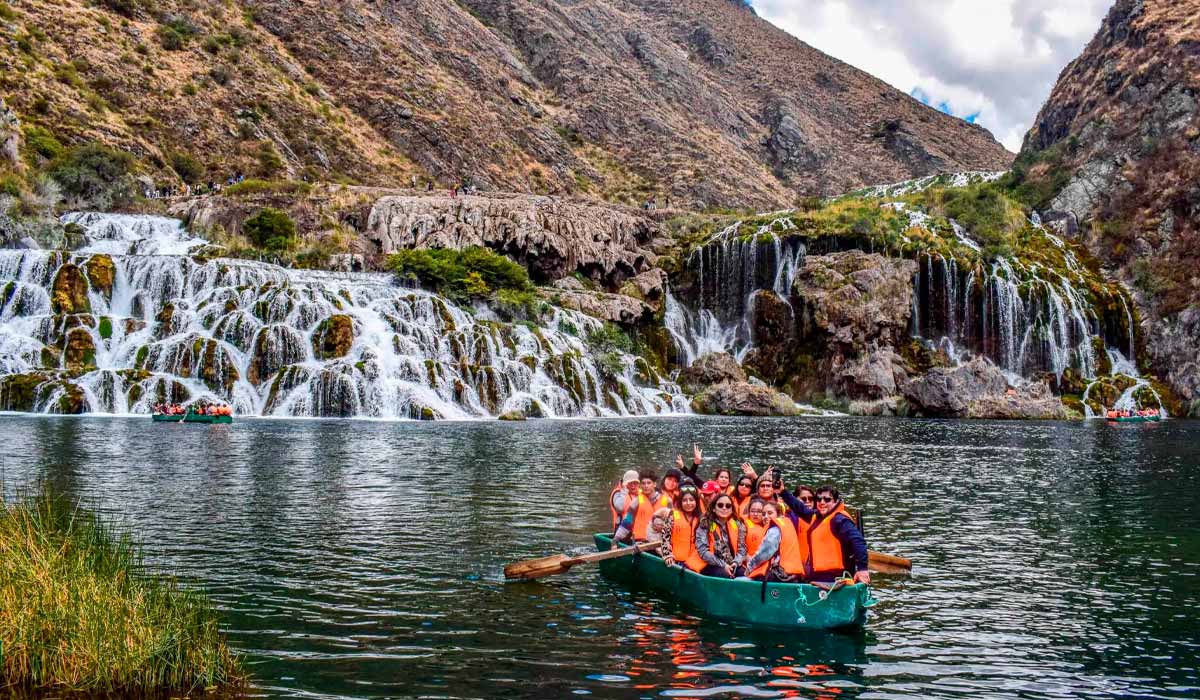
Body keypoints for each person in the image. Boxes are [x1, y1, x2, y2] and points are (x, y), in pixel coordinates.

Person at [805, 485, 869, 584]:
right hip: (818, 578)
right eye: (818, 499)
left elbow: (858, 541)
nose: (822, 502)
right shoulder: (817, 517)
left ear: (835, 502)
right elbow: (800, 509)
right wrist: (782, 492)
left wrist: (862, 569)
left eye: (827, 499)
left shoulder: (840, 520)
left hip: (836, 579)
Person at [694, 492, 745, 578]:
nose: (724, 508)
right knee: (724, 574)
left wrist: (735, 562)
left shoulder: (738, 525)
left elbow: (742, 549)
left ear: (732, 509)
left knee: (744, 574)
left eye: (728, 506)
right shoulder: (704, 524)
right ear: (714, 508)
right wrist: (724, 565)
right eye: (720, 505)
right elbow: (703, 552)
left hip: (732, 563)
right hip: (710, 563)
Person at [661, 484, 705, 572]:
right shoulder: (672, 515)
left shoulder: (702, 519)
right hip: (675, 561)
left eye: (691, 500)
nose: (688, 503)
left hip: (695, 562)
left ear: (696, 501)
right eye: (685, 500)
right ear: (680, 502)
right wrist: (667, 555)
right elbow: (665, 537)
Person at [633, 470, 673, 541]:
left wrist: (665, 527)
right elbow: (627, 522)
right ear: (640, 485)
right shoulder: (636, 501)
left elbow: (674, 521)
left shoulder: (668, 501)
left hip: (659, 541)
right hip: (640, 541)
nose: (646, 486)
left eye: (649, 483)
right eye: (643, 483)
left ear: (654, 484)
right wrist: (616, 539)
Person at [609, 470, 642, 548]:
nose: (633, 486)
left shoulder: (641, 493)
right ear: (625, 483)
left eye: (635, 483)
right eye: (630, 483)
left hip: (637, 534)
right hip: (622, 534)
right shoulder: (617, 493)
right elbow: (620, 508)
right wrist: (624, 490)